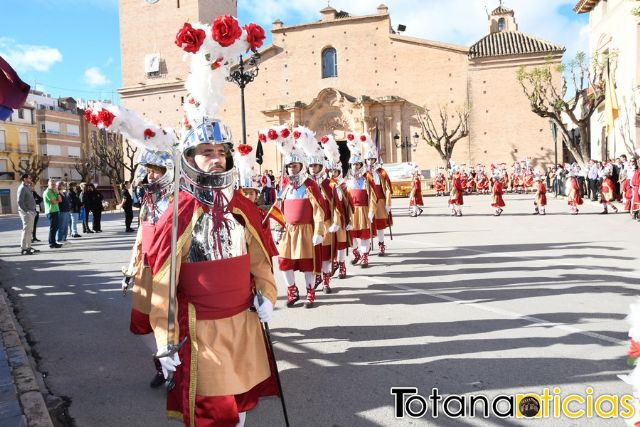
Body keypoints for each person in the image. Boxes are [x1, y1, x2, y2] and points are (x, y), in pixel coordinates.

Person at [148, 118, 279, 426]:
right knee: (213, 411)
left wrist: (267, 294)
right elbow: (164, 282)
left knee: (242, 401)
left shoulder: (241, 207)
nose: (217, 158)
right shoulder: (178, 212)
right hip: (202, 330)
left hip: (244, 324)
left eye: (220, 151)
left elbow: (259, 261)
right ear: (189, 158)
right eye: (207, 151)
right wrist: (166, 339)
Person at [122, 148, 175, 388]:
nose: (150, 176)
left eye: (155, 171)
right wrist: (131, 270)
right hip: (146, 270)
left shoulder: (178, 201)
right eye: (149, 171)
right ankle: (163, 365)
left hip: (171, 270)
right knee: (141, 323)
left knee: (171, 324)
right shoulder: (147, 201)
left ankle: (176, 369)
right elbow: (140, 239)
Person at [273, 126, 326, 308]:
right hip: (288, 231)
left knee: (306, 263)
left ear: (301, 166)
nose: (292, 169)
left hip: (306, 230)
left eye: (294, 166)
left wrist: (319, 231)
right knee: (284, 261)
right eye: (289, 166)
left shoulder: (310, 185)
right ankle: (291, 290)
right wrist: (276, 227)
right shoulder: (286, 186)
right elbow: (278, 209)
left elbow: (319, 210)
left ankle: (310, 291)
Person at [345, 136, 375, 268]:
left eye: (357, 164)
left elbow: (372, 196)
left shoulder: (366, 180)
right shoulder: (346, 181)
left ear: (361, 165)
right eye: (353, 164)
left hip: (363, 210)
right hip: (351, 212)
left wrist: (372, 211)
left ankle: (364, 256)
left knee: (363, 235)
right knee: (351, 235)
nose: (355, 166)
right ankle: (356, 252)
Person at [362, 135, 392, 256]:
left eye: (371, 159)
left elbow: (388, 188)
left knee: (379, 225)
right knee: (368, 225)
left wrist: (388, 203)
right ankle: (367, 247)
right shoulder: (364, 173)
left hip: (380, 201)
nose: (369, 162)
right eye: (368, 160)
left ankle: (381, 244)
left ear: (375, 159)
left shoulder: (381, 172)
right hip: (368, 202)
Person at [17, 174, 39, 255]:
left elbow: (32, 188)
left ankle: (28, 247)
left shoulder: (27, 187)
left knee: (30, 230)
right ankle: (23, 248)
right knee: (26, 230)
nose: (31, 179)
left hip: (31, 211)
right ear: (25, 179)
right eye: (29, 178)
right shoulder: (22, 188)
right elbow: (20, 201)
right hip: (26, 212)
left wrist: (31, 184)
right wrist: (26, 211)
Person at [42, 178, 62, 248]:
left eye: (54, 184)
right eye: (52, 184)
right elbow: (54, 202)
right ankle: (52, 243)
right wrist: (57, 200)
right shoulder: (47, 192)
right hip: (51, 212)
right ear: (48, 184)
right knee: (53, 228)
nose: (53, 185)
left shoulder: (54, 191)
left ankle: (53, 242)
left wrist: (57, 193)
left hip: (56, 211)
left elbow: (60, 200)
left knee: (55, 227)